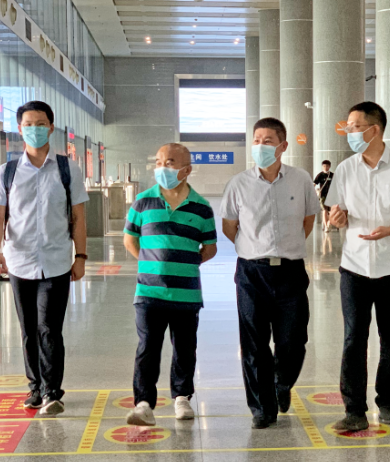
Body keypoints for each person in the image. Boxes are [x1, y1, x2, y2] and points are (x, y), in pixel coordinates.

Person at [326, 102, 390, 432]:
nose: (349, 131)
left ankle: (386, 401)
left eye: (355, 126)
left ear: (375, 129)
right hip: (354, 266)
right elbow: (336, 213)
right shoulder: (345, 169)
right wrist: (336, 218)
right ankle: (354, 409)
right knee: (353, 339)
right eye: (348, 126)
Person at [0, 101, 89, 416]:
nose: (35, 129)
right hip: (19, 261)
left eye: (41, 123)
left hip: (56, 261)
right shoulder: (7, 172)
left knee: (49, 328)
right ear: (20, 129)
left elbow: (78, 216)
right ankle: (35, 388)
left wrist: (81, 256)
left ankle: (52, 392)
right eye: (29, 124)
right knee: (28, 329)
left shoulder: (67, 169)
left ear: (51, 127)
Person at [220, 118, 319, 429]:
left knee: (293, 340)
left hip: (290, 271)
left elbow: (308, 219)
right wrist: (254, 248)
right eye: (256, 140)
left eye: (267, 140)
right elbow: (229, 226)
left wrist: (286, 247)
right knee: (254, 344)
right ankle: (262, 407)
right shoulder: (238, 184)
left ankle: (281, 382)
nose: (260, 146)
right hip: (252, 273)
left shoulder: (301, 180)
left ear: (283, 146)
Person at [123, 143, 217, 427]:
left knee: (185, 348)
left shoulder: (202, 207)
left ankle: (182, 397)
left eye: (170, 162)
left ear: (186, 170)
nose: (162, 167)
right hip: (148, 292)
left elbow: (210, 247)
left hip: (186, 294)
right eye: (158, 161)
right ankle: (143, 404)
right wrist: (151, 264)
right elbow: (130, 239)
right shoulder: (143, 202)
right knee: (147, 347)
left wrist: (185, 263)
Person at [314, 160, 334, 232]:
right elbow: (314, 184)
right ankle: (326, 226)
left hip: (332, 195)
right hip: (323, 196)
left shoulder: (332, 175)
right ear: (322, 167)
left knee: (332, 210)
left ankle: (329, 222)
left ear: (329, 166)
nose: (325, 167)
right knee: (324, 210)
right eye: (324, 166)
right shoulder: (320, 175)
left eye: (327, 166)